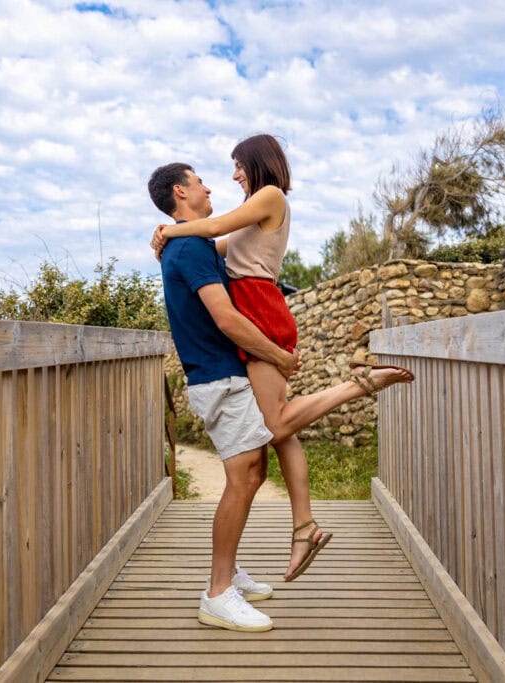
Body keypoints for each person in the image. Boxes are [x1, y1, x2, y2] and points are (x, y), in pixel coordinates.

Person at [151, 136, 414, 582]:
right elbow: (211, 246)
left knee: (275, 424)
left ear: (257, 162)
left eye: (237, 166)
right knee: (280, 430)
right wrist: (173, 238)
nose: (232, 176)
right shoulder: (247, 218)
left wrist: (170, 230)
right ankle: (304, 527)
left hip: (258, 308)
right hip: (256, 305)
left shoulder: (269, 196)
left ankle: (362, 384)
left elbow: (210, 232)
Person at [148, 161, 299, 633]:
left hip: (224, 374)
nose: (210, 186)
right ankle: (217, 594)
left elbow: (222, 239)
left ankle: (228, 572)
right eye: (199, 182)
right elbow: (227, 320)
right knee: (243, 477)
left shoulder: (190, 244)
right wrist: (279, 355)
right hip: (218, 377)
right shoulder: (190, 248)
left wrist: (164, 235)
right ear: (181, 191)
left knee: (254, 472)